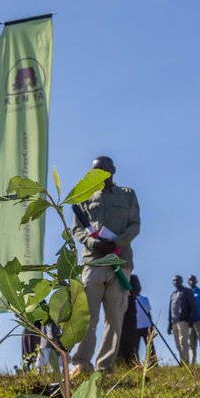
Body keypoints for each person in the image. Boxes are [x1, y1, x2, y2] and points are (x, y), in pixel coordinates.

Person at [69, 155, 140, 375]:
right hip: (93, 261)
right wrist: (93, 243)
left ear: (113, 170)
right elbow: (77, 229)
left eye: (103, 169)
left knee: (115, 317)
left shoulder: (127, 195)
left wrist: (116, 242)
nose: (99, 173)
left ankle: (105, 367)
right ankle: (81, 364)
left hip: (120, 261)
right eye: (95, 170)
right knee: (87, 316)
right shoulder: (84, 197)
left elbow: (135, 225)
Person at [168, 275, 197, 366]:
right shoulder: (173, 294)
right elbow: (170, 309)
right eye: (174, 280)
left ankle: (186, 362)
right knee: (178, 344)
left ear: (181, 281)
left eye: (177, 280)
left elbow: (193, 306)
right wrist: (169, 324)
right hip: (174, 322)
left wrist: (190, 319)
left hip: (183, 321)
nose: (175, 282)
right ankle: (182, 362)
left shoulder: (187, 291)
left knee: (183, 342)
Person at [129, 275, 156, 365]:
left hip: (146, 326)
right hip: (135, 327)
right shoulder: (130, 300)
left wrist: (151, 325)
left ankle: (153, 363)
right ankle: (136, 364)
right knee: (135, 347)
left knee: (150, 346)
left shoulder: (145, 299)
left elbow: (148, 313)